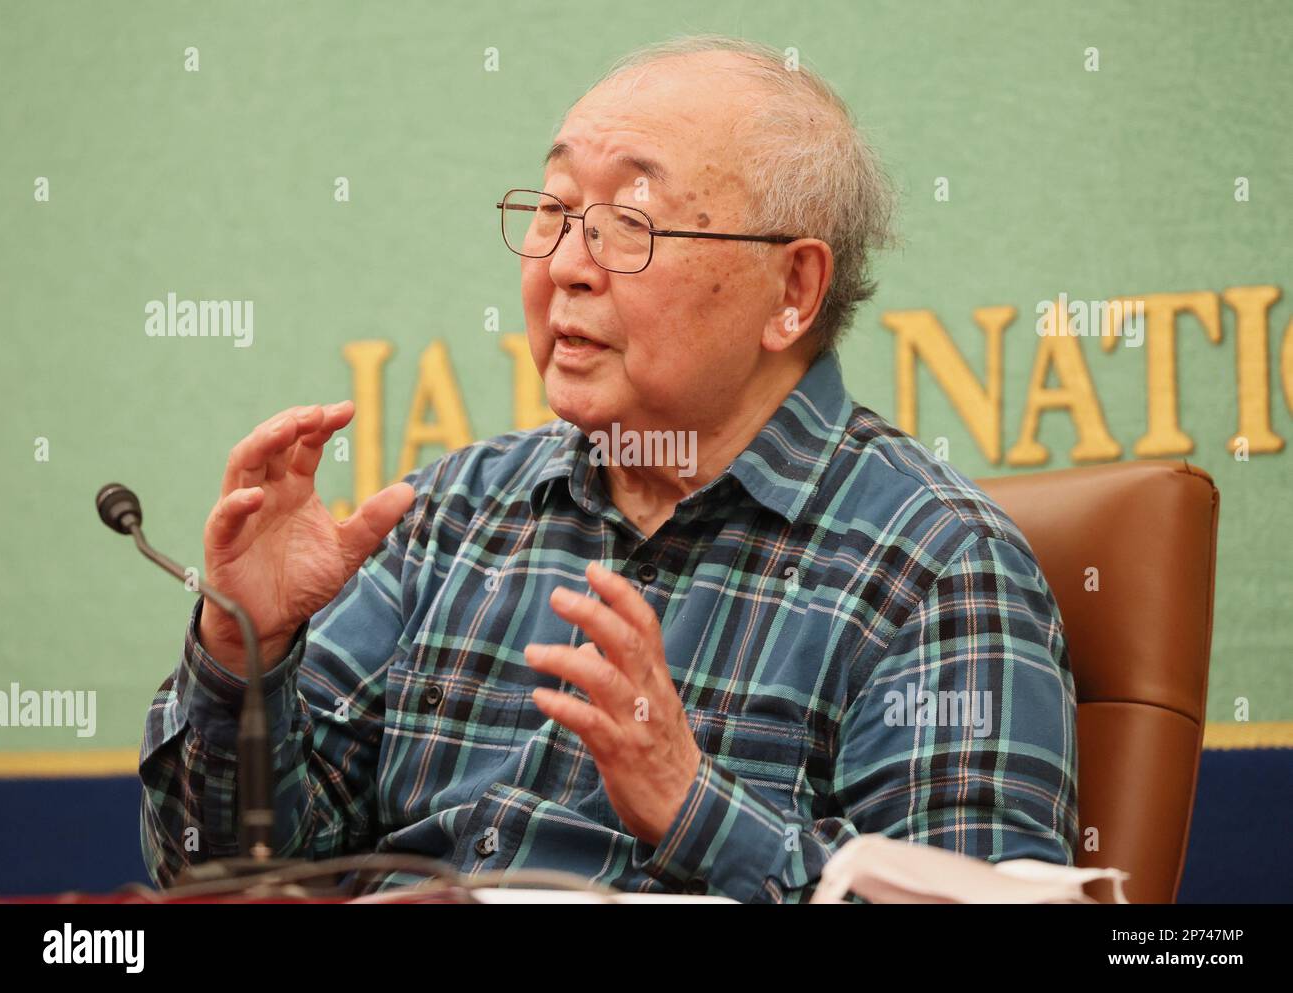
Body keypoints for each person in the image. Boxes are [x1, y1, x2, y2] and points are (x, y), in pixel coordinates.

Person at [139, 35, 1078, 903]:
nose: (566, 267)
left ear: (792, 290)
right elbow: (228, 879)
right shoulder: (451, 515)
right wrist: (244, 661)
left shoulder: (938, 565)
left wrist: (691, 805)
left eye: (630, 222)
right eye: (552, 212)